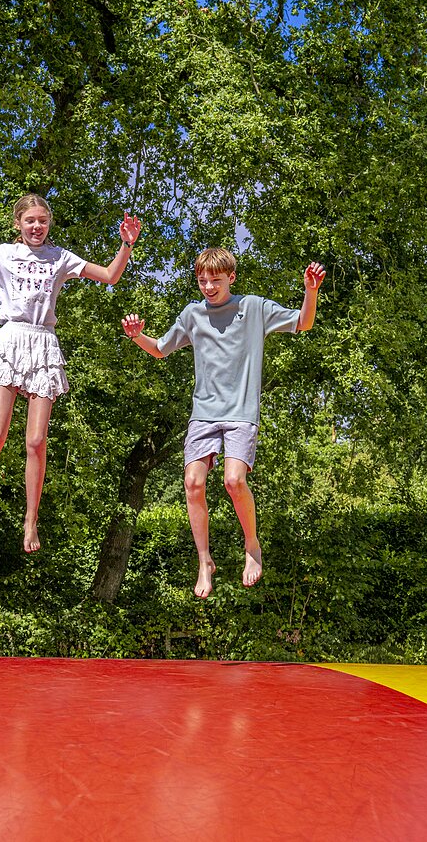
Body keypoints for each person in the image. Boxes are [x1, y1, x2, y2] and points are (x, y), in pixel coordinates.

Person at [0, 186, 141, 553]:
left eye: (42, 221)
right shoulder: (3, 254)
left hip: (43, 342)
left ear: (49, 224)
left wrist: (125, 245)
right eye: (30, 220)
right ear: (18, 223)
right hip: (11, 339)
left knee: (35, 440)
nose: (36, 226)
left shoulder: (59, 257)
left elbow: (110, 276)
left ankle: (31, 521)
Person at [122, 248, 325, 598]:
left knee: (233, 480)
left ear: (231, 277)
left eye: (215, 279)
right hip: (204, 413)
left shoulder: (255, 308)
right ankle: (204, 560)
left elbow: (303, 323)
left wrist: (311, 291)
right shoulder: (192, 314)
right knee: (192, 483)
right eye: (202, 280)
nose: (208, 286)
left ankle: (252, 546)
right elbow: (160, 349)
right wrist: (137, 335)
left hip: (240, 412)